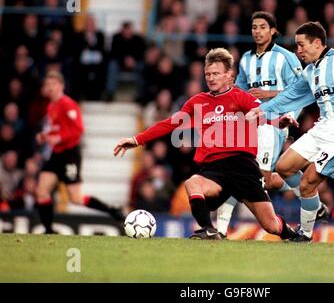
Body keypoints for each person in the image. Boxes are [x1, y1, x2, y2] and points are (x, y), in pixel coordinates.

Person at [113, 48, 298, 240]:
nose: (211, 78)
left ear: (229, 75)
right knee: (193, 184)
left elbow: (262, 112)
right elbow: (170, 123)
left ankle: (292, 235)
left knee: (271, 225)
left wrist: (279, 121)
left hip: (243, 167)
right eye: (208, 74)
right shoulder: (197, 102)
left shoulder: (240, 97)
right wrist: (137, 140)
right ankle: (208, 230)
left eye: (216, 73)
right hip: (214, 168)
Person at [247, 22, 334, 242]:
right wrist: (261, 110)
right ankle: (316, 207)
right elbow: (290, 95)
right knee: (283, 166)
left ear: (317, 43)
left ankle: (305, 234)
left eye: (301, 45)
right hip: (322, 128)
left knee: (307, 182)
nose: (297, 50)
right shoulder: (310, 72)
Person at [215, 11, 328, 237]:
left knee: (258, 177)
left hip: (274, 123)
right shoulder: (246, 58)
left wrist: (275, 100)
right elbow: (240, 90)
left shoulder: (285, 57)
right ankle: (219, 230)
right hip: (252, 123)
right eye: (254, 27)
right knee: (257, 174)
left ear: (273, 31)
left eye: (262, 27)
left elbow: (303, 88)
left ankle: (220, 229)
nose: (257, 31)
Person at [35, 71, 124, 234]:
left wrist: (59, 138)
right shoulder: (51, 106)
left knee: (75, 199)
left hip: (70, 155)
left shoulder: (67, 104)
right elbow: (57, 129)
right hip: (57, 154)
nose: (51, 88)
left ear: (61, 86)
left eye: (53, 84)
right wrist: (45, 136)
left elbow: (78, 130)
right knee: (41, 191)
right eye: (48, 85)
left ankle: (112, 210)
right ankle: (48, 229)